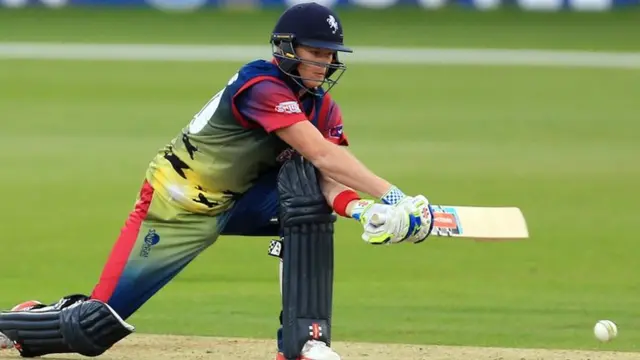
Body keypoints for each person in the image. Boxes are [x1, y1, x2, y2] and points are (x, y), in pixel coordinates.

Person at [0, 2, 435, 360]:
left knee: (307, 201)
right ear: (286, 48)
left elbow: (325, 175)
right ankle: (22, 319)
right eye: (314, 52)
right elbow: (319, 151)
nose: (323, 63)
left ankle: (304, 342)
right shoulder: (260, 83)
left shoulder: (324, 109)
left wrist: (364, 209)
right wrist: (395, 196)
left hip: (241, 200)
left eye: (328, 54)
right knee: (94, 328)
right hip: (176, 208)